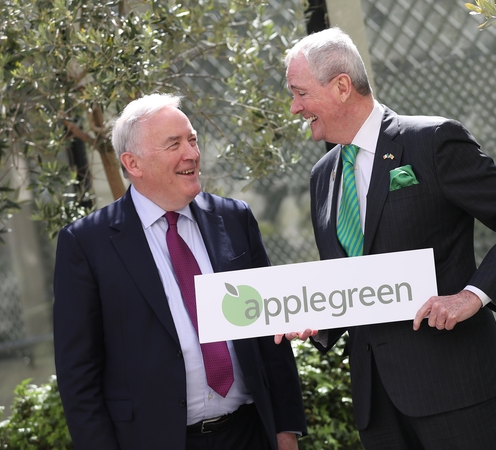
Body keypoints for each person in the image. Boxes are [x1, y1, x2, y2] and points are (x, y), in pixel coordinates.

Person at [277, 28, 496, 449]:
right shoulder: (322, 176)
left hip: (455, 387)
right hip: (377, 403)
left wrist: (472, 295)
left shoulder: (431, 142)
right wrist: (319, 316)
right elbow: (352, 277)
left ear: (340, 86)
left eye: (299, 93)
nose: (295, 108)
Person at [53, 93, 307, 450]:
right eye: (174, 144)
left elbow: (270, 337)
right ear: (133, 163)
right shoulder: (87, 244)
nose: (191, 154)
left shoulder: (234, 219)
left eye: (192, 140)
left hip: (249, 433)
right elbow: (79, 376)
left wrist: (286, 430)